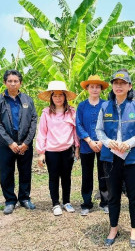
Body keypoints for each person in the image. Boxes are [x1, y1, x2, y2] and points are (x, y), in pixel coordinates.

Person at [96, 70, 135, 248]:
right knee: (113, 195)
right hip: (111, 158)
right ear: (112, 86)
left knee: (134, 194)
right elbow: (99, 130)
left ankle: (134, 228)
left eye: (123, 83)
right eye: (115, 83)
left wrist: (129, 143)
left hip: (132, 157)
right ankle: (113, 227)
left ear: (129, 86)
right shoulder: (105, 107)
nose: (118, 86)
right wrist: (108, 142)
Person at [0, 69, 37, 215]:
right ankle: (10, 200)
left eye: (15, 81)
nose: (12, 83)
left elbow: (33, 120)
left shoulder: (27, 100)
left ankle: (24, 198)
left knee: (25, 171)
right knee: (6, 172)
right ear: (5, 83)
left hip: (24, 143)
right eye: (9, 81)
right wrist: (10, 142)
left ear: (20, 83)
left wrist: (27, 142)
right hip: (6, 144)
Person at [36, 81, 80, 216]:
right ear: (51, 97)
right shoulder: (46, 113)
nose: (58, 98)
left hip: (67, 150)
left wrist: (77, 147)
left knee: (67, 177)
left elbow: (75, 131)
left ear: (65, 97)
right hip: (51, 151)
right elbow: (42, 132)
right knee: (53, 177)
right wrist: (41, 152)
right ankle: (55, 203)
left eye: (61, 95)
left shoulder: (71, 112)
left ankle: (66, 201)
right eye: (55, 96)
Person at [76, 75, 109, 216]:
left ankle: (105, 202)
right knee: (87, 174)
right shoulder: (82, 106)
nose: (95, 89)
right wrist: (89, 140)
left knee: (104, 174)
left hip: (103, 145)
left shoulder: (107, 105)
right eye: (92, 87)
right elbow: (78, 124)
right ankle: (87, 203)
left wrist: (101, 141)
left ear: (101, 89)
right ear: (87, 89)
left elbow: (109, 124)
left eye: (97, 87)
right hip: (86, 145)